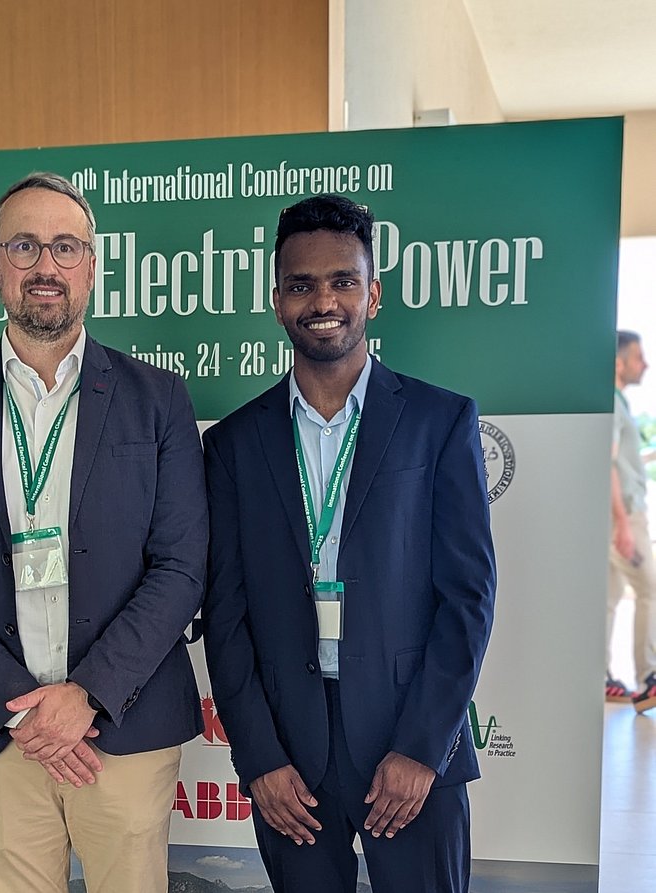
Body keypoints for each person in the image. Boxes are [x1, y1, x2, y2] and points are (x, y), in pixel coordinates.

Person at [0, 172, 208, 893]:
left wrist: (86, 694)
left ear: (90, 267)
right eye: (24, 245)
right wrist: (24, 710)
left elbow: (182, 566)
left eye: (65, 246)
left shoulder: (157, 399)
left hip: (121, 727)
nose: (46, 265)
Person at [201, 195, 496, 893]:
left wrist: (422, 748)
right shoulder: (233, 445)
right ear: (277, 302)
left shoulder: (439, 422)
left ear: (374, 294)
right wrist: (259, 757)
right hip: (290, 762)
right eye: (301, 285)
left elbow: (468, 599)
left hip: (410, 747)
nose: (323, 301)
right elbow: (226, 615)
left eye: (343, 281)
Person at [607, 330, 656, 712]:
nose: (646, 365)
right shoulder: (611, 402)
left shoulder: (619, 403)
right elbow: (606, 462)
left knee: (608, 599)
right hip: (622, 516)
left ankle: (602, 676)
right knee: (650, 590)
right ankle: (650, 678)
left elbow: (621, 461)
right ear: (619, 362)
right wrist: (623, 524)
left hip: (616, 516)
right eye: (639, 357)